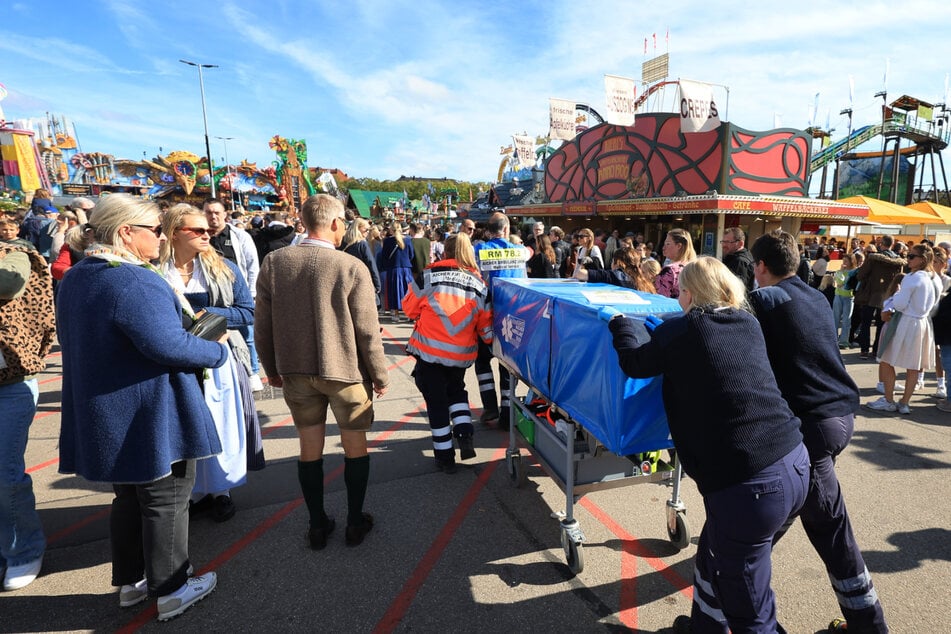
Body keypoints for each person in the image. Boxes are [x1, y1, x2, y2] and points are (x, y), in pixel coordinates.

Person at [606, 256, 809, 632]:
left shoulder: (682, 332)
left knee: (749, 606)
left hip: (748, 484)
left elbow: (635, 362)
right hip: (794, 464)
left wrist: (622, 325)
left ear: (687, 292)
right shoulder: (747, 321)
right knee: (714, 557)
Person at [57, 194, 225, 620]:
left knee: (129, 498)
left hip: (110, 408)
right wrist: (215, 352)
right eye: (155, 229)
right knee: (166, 498)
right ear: (126, 232)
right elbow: (166, 344)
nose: (162, 237)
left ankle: (131, 582)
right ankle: (172, 588)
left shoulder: (79, 275)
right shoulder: (132, 279)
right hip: (150, 409)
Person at [748, 230, 888, 633]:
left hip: (811, 429)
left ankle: (869, 625)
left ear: (760, 267)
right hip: (840, 416)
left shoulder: (765, 300)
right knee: (778, 517)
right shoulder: (813, 296)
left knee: (830, 530)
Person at [255, 194, 388, 550]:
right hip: (344, 370)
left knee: (308, 446)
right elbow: (366, 330)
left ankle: (316, 524)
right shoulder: (350, 266)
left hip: (296, 370)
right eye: (342, 223)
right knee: (354, 446)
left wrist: (271, 368)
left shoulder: (274, 264)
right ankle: (355, 521)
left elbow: (262, 326)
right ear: (333, 223)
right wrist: (380, 374)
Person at [160, 204, 264, 523]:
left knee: (219, 423)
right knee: (185, 424)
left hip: (217, 359)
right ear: (175, 232)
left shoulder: (224, 268)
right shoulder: (155, 270)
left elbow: (248, 311)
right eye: (199, 230)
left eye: (208, 229)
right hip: (175, 361)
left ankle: (221, 490)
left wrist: (210, 317)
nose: (208, 234)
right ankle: (192, 493)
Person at [403, 232, 492, 473]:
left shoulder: (428, 276)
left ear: (446, 251)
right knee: (456, 391)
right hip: (460, 355)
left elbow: (408, 308)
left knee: (437, 403)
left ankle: (445, 457)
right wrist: (491, 343)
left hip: (430, 353)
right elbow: (485, 323)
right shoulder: (479, 283)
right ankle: (464, 432)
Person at [0, 242, 55, 591]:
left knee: (5, 472)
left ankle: (24, 550)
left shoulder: (13, 252)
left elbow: (9, 283)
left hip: (11, 383)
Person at [865, 243, 942, 414]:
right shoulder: (934, 278)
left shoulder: (912, 278)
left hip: (907, 321)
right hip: (923, 322)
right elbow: (935, 306)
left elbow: (899, 304)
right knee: (913, 366)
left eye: (911, 256)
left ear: (922, 260)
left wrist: (898, 294)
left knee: (886, 359)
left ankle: (889, 400)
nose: (908, 259)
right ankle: (905, 403)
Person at [473, 212, 527, 428]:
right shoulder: (520, 252)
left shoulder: (479, 250)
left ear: (489, 230)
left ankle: (489, 407)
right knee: (507, 366)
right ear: (506, 229)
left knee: (483, 362)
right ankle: (507, 413)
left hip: (486, 315)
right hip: (513, 316)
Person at [204, 198, 263, 392]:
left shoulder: (239, 235)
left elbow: (252, 264)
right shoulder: (202, 236)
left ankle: (252, 371)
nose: (213, 216)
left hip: (237, 293)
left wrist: (252, 292)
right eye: (208, 212)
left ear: (224, 214)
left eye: (216, 212)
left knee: (247, 334)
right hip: (212, 293)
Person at [855, 235, 905, 360]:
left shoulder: (873, 258)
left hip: (871, 295)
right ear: (892, 245)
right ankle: (876, 349)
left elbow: (861, 275)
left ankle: (864, 350)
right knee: (881, 324)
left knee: (866, 323)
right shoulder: (898, 261)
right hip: (888, 296)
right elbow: (900, 278)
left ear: (881, 244)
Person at [574, 246, 656, 293]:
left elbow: (580, 274)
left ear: (617, 262)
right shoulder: (643, 278)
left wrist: (582, 263)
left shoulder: (612, 275)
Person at [341, 217, 382, 308]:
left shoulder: (342, 242)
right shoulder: (362, 244)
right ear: (358, 228)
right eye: (366, 229)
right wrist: (377, 284)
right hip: (360, 279)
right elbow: (370, 264)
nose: (368, 232)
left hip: (344, 278)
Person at [377, 223, 415, 322]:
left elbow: (384, 256)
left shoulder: (387, 241)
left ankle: (396, 314)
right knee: (407, 291)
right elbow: (411, 255)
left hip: (393, 269)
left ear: (391, 230)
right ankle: (409, 313)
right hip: (406, 269)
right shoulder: (408, 240)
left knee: (394, 291)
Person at [654, 228, 697, 298]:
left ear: (679, 246)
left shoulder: (670, 271)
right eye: (664, 244)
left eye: (668, 244)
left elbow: (661, 300)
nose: (663, 247)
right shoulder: (695, 267)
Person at [832, 253, 858, 349]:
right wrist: (841, 272)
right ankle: (833, 339)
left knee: (847, 320)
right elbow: (839, 282)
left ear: (851, 261)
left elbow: (845, 283)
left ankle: (843, 341)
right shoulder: (840, 271)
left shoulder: (854, 272)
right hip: (838, 295)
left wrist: (841, 279)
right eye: (843, 261)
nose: (844, 263)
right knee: (835, 318)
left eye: (846, 261)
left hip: (849, 297)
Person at [720, 227, 755, 292]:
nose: (723, 245)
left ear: (740, 244)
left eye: (727, 242)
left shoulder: (740, 262)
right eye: (723, 241)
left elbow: (737, 290)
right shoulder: (734, 258)